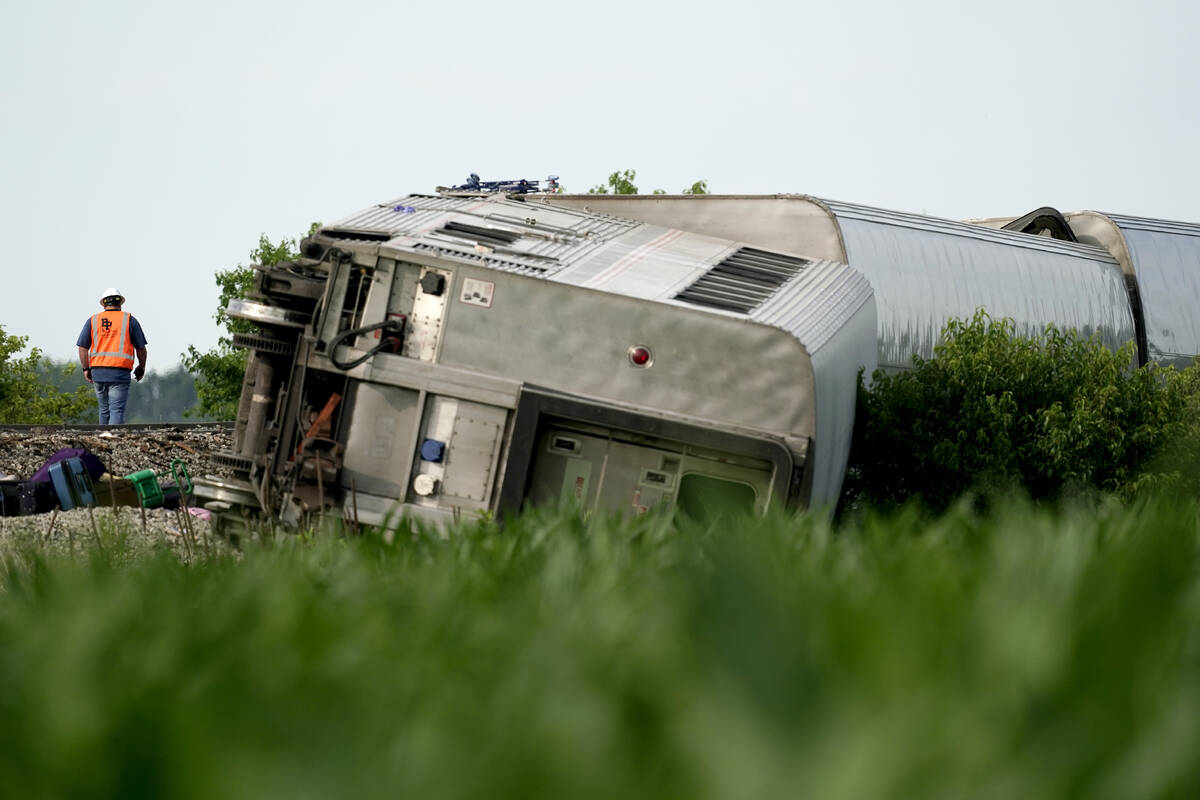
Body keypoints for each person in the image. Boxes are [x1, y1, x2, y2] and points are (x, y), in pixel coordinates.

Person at [76, 287, 148, 425]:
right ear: (120, 303)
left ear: (104, 304)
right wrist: (142, 366)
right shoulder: (129, 320)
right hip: (119, 373)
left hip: (98, 373)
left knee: (104, 410)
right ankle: (114, 440)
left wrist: (86, 369)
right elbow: (141, 349)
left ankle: (104, 440)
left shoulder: (93, 320)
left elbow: (82, 348)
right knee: (116, 410)